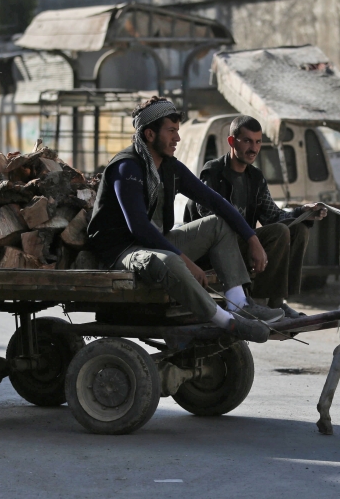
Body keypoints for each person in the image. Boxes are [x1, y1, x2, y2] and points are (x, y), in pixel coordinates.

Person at [87, 97, 284, 343]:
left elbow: (216, 202)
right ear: (150, 134)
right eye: (171, 131)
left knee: (218, 223)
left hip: (154, 242)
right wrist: (185, 260)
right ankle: (227, 322)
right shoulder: (127, 167)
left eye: (177, 131)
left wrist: (251, 237)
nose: (177, 138)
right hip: (121, 251)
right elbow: (138, 227)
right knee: (169, 260)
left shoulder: (170, 167)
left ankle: (239, 303)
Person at [185, 115, 327, 319]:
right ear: (232, 142)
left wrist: (303, 212)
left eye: (258, 142)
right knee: (279, 232)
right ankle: (259, 301)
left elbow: (273, 215)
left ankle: (277, 302)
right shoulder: (213, 173)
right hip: (213, 252)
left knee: (298, 229)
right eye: (247, 141)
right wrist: (251, 239)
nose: (254, 148)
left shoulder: (255, 177)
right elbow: (209, 220)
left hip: (243, 245)